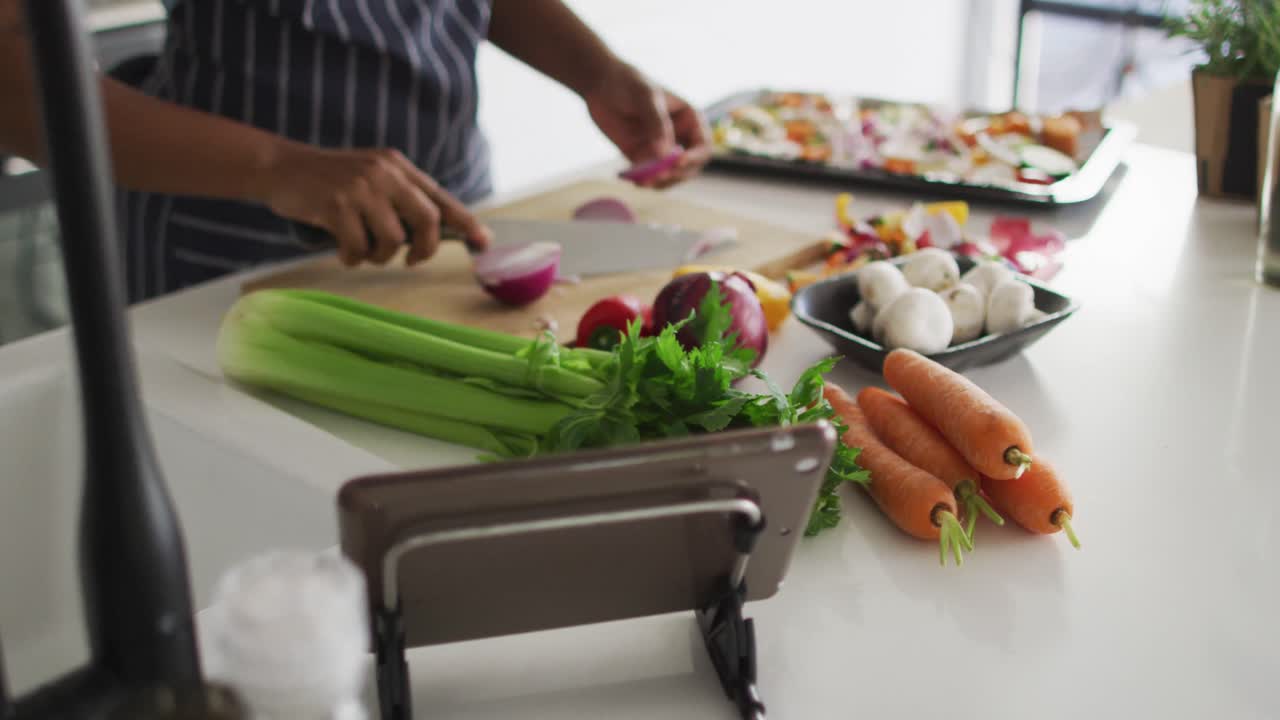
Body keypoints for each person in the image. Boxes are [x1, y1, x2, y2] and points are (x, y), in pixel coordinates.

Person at [0, 0, 711, 301]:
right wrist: (283, 168)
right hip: (223, 255)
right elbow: (11, 83)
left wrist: (596, 70)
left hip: (457, 221)